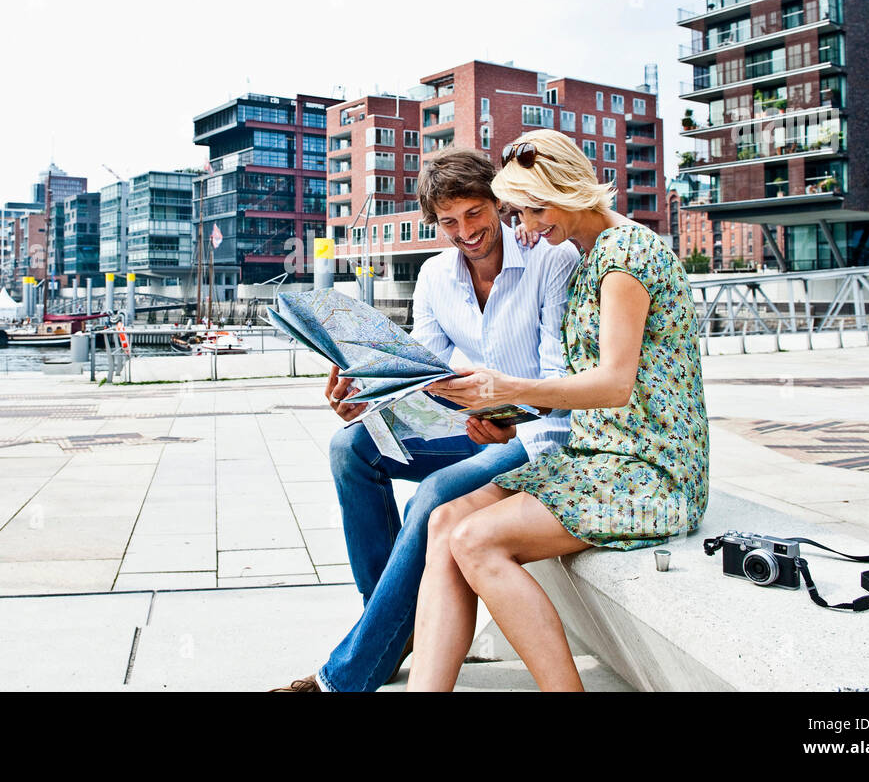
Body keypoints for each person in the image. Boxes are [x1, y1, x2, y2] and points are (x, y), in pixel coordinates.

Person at [407, 129, 709, 692]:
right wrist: (505, 415)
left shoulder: (625, 256)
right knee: (444, 519)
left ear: (572, 190)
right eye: (520, 211)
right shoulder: (590, 253)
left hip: (650, 470)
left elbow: (615, 384)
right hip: (597, 456)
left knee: (476, 540)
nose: (526, 226)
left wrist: (505, 387)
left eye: (535, 209)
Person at [273, 147, 579, 692]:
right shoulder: (437, 275)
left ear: (498, 203)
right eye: (448, 221)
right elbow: (415, 367)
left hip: (535, 434)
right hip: (471, 428)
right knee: (350, 448)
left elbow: (562, 376)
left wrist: (508, 409)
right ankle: (388, 627)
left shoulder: (547, 260)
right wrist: (363, 395)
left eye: (474, 214)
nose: (465, 232)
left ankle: (349, 674)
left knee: (434, 493)